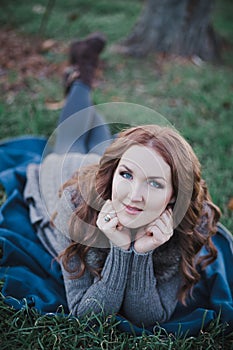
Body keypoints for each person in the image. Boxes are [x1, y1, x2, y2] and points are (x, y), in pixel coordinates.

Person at [23, 32, 231, 332]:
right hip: (68, 173)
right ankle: (83, 74)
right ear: (117, 170)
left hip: (108, 166)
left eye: (156, 183)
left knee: (91, 126)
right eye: (128, 175)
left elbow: (149, 316)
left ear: (176, 194)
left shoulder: (188, 225)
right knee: (72, 135)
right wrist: (121, 248)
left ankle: (81, 76)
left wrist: (140, 251)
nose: (134, 196)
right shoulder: (76, 207)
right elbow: (85, 313)